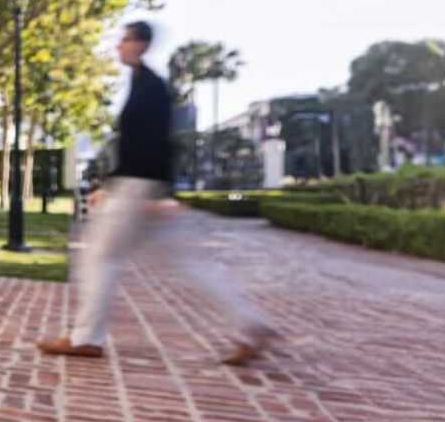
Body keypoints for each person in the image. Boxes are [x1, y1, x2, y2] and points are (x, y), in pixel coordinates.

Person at [37, 21, 277, 366]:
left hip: (137, 189)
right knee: (186, 262)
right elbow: (144, 143)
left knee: (99, 257)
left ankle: (86, 337)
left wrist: (139, 188)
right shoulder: (143, 84)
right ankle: (250, 324)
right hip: (144, 188)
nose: (119, 45)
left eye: (125, 39)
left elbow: (153, 145)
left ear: (140, 44)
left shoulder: (151, 88)